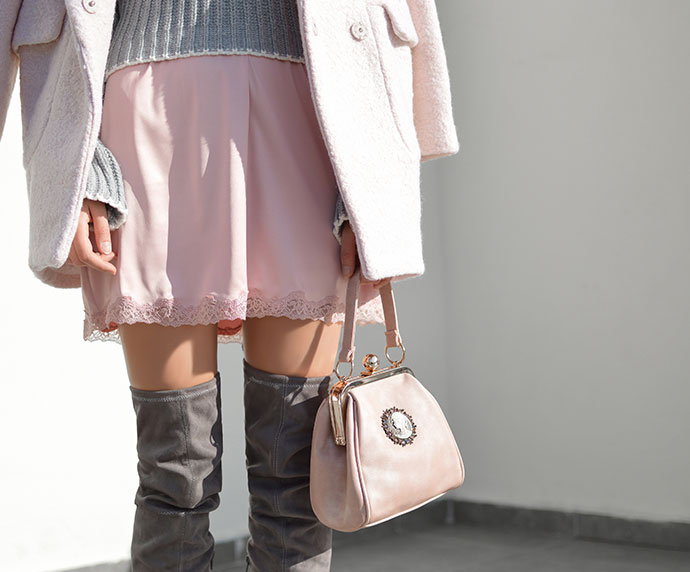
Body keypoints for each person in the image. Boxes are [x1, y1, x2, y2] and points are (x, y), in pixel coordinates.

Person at [0, 0, 459, 570]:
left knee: (297, 474)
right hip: (143, 120)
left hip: (312, 117)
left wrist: (369, 177)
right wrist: (77, 160)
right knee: (175, 475)